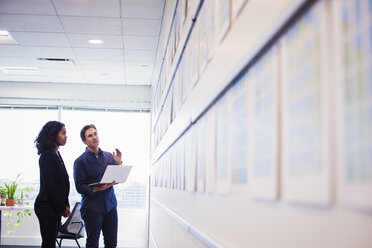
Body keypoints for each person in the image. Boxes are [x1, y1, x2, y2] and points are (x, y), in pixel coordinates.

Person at [73, 124, 122, 248]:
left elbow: (116, 177)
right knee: (92, 244)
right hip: (92, 209)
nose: (94, 137)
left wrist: (118, 163)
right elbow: (79, 186)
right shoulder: (80, 162)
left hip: (110, 206)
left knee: (112, 243)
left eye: (95, 134)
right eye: (90, 135)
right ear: (84, 141)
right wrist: (95, 188)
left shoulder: (109, 156)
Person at [34, 121, 71, 248]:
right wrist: (62, 208)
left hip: (53, 206)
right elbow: (51, 187)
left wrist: (66, 205)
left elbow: (63, 184)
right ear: (53, 135)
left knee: (51, 242)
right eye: (63, 133)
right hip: (46, 206)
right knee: (49, 243)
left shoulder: (56, 154)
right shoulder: (46, 157)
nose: (66, 136)